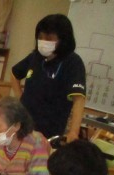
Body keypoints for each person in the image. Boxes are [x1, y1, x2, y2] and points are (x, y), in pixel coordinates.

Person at [11, 14, 86, 142]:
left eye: (49, 38)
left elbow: (78, 99)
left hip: (50, 131)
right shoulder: (35, 57)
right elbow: (14, 74)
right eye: (40, 37)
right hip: (24, 126)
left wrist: (73, 132)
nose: (44, 41)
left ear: (63, 39)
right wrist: (21, 99)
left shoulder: (73, 62)